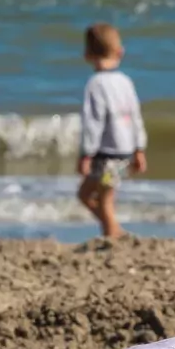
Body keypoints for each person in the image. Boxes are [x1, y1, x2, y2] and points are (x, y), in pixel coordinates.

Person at [75, 23, 147, 238]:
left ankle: (111, 234)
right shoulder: (125, 81)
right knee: (89, 194)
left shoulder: (95, 84)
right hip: (124, 153)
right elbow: (135, 116)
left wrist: (86, 154)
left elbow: (93, 122)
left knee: (102, 198)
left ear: (87, 55)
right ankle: (114, 230)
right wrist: (139, 149)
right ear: (120, 52)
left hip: (106, 154)